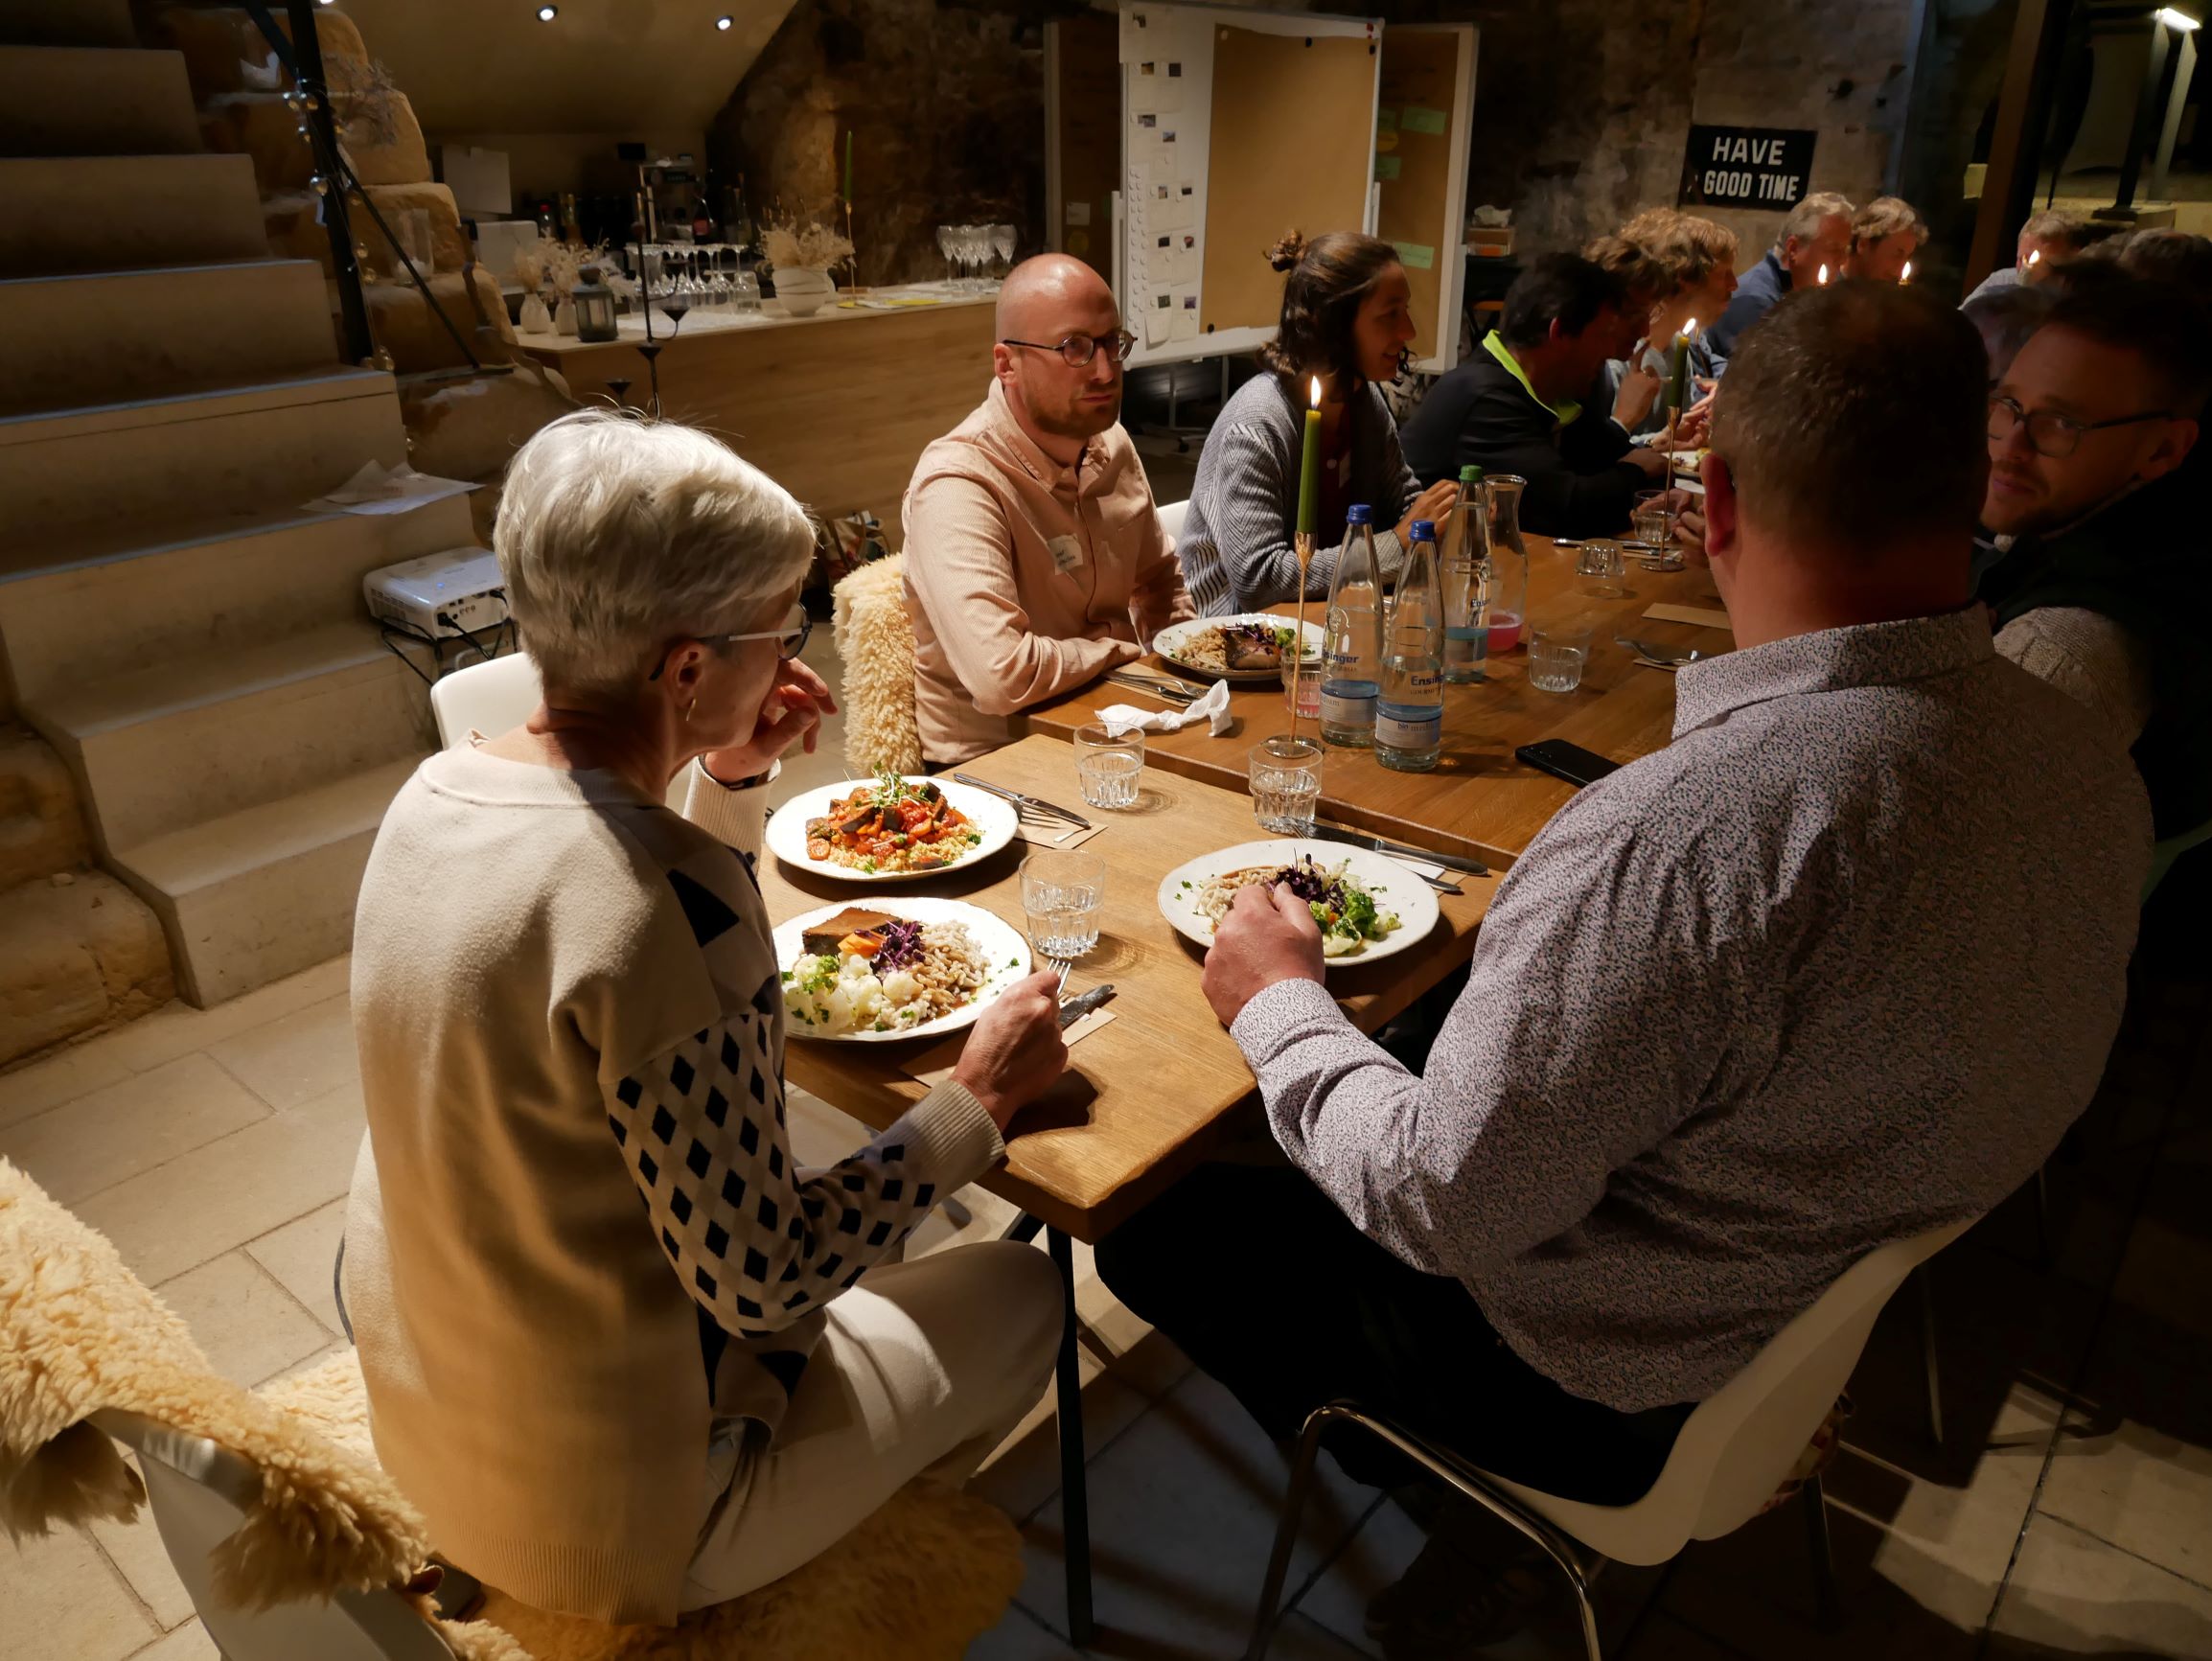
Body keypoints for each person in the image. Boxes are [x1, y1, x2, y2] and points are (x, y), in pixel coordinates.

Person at [1097, 284, 2149, 1650]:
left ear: (1713, 510)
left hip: (1605, 1382)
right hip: (1789, 1303)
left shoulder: (1688, 835)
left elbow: (1441, 1204)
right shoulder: (2077, 747)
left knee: (1156, 1212)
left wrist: (1279, 998)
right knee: (1397, 1061)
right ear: (1977, 489)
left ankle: (1463, 1513)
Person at [341, 411, 1071, 1625]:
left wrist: (719, 768)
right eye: (781, 629)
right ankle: (805, 1575)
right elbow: (766, 1278)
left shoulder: (432, 794)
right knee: (1020, 1293)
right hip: (607, 1521)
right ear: (685, 667)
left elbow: (601, 879)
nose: (795, 653)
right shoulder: (662, 912)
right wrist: (978, 1100)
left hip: (435, 1422)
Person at [903, 254, 1195, 766]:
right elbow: (1001, 676)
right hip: (997, 770)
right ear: (1006, 364)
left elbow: (1159, 581)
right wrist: (1115, 650)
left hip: (1120, 727)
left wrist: (1178, 670)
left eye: (1112, 344)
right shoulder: (958, 482)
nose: (1105, 370)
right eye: (1074, 348)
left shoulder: (1112, 444)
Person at [1975, 274, 2210, 841]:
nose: (2011, 448)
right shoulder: (2077, 520)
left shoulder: (2066, 652)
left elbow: (1934, 837)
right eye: (2009, 404)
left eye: (2061, 423)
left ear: (2162, 449)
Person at [1175, 232, 1457, 615]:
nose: (1408, 330)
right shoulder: (1256, 424)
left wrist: (1450, 517)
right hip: (1238, 641)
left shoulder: (1365, 403)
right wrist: (1397, 544)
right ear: (1335, 325)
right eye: (1391, 313)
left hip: (1330, 620)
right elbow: (1260, 580)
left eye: (1406, 310)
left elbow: (1404, 507)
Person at [1399, 252, 1670, 536]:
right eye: (1603, 335)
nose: (1610, 351)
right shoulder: (1486, 396)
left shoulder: (1560, 388)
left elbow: (1605, 460)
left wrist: (1653, 485)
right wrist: (1636, 473)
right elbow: (1567, 511)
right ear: (1560, 332)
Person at [1601, 210, 1739, 440]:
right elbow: (1596, 449)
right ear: (1684, 278)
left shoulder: (1678, 347)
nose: (1734, 284)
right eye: (1724, 274)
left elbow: (1673, 436)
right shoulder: (1619, 354)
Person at [1704, 190, 1852, 365]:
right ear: (1793, 248)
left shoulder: (1817, 295)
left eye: (1845, 250)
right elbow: (1761, 381)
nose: (1842, 260)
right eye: (1833, 249)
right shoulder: (1754, 301)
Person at [1965, 209, 2089, 299]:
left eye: (2037, 261)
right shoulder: (2000, 283)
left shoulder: (2085, 301)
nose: (2027, 269)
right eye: (2022, 259)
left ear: (2074, 258)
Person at [1843, 196, 1926, 283]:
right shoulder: (1831, 291)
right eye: (1897, 254)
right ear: (1863, 244)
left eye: (1907, 258)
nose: (1901, 270)